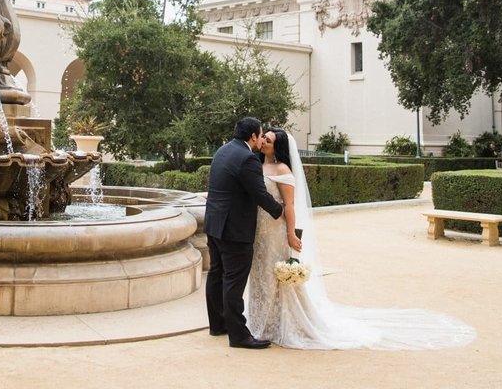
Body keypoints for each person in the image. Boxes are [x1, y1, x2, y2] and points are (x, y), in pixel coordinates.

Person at [245, 128, 478, 350]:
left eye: (268, 139)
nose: (263, 140)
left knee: (273, 274)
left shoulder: (283, 169)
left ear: (278, 147)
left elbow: (290, 205)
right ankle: (259, 319)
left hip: (276, 231)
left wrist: (290, 233)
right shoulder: (259, 164)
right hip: (260, 231)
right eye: (263, 137)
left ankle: (277, 324)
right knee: (260, 273)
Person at [204, 117, 291, 349]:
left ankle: (218, 324)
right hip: (234, 229)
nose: (262, 139)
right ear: (252, 137)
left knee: (216, 274)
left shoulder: (222, 150)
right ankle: (239, 335)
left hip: (214, 224)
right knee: (233, 281)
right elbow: (260, 194)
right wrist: (279, 210)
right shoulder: (248, 159)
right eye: (261, 135)